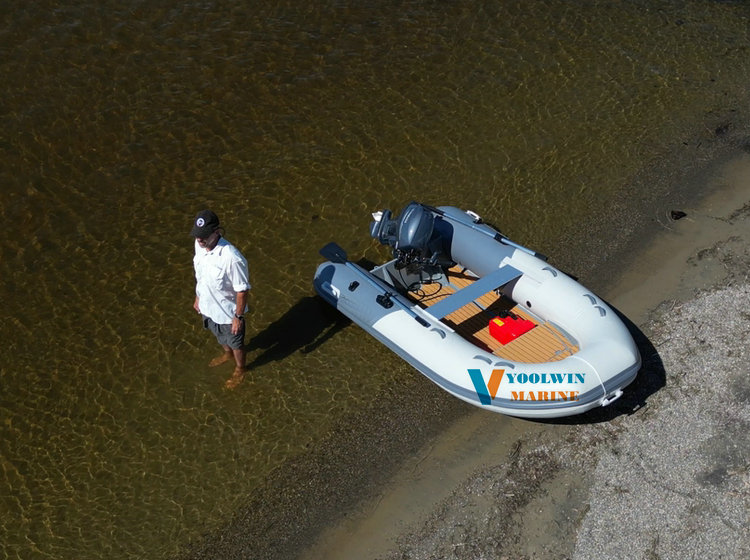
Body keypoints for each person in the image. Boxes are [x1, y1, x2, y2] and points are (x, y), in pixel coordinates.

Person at [191, 209, 251, 389]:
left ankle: (241, 369)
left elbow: (242, 290)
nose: (200, 239)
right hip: (208, 307)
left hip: (228, 313)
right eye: (197, 235)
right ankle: (227, 355)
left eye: (204, 236)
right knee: (218, 336)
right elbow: (200, 274)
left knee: (236, 344)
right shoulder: (199, 244)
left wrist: (237, 317)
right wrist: (198, 296)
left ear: (217, 231)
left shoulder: (231, 257)